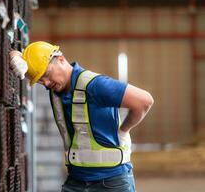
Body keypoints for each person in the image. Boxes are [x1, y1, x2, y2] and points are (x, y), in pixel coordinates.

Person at [9, 41, 154, 192]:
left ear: (60, 59)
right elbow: (18, 57)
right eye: (39, 80)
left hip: (111, 182)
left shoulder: (95, 85)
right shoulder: (57, 89)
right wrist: (15, 55)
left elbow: (144, 101)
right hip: (76, 181)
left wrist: (124, 130)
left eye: (46, 74)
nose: (45, 82)